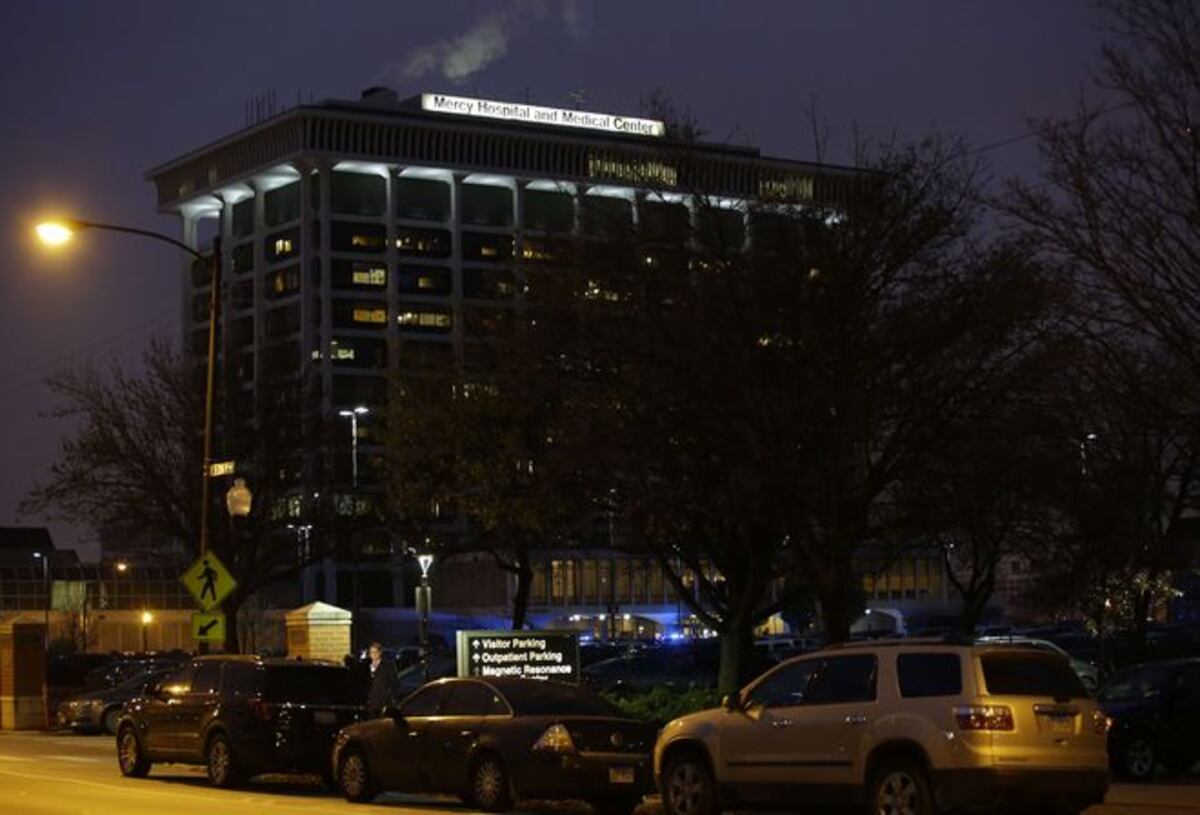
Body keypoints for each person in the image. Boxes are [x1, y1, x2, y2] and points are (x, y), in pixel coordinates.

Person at [366, 642, 399, 715]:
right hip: (370, 704)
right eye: (371, 652)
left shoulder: (388, 665)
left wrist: (388, 699)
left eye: (375, 652)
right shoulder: (366, 666)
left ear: (380, 653)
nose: (373, 654)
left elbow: (395, 683)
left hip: (383, 703)